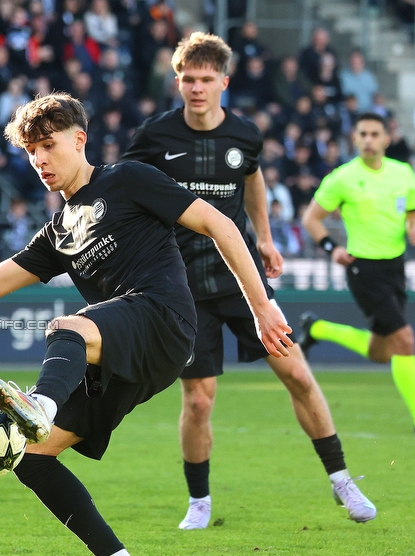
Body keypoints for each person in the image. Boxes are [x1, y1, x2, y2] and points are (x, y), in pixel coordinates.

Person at [0, 91, 293, 556]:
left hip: (164, 319)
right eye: (31, 151)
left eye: (48, 145)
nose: (40, 160)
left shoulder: (128, 179)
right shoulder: (57, 232)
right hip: (125, 356)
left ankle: (39, 404)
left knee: (66, 328)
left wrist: (261, 305)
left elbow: (219, 223)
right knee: (29, 456)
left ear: (79, 139)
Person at [121, 32, 376, 530]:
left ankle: (342, 479)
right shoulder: (154, 137)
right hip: (183, 285)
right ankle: (199, 502)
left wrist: (263, 236)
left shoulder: (245, 134)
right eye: (188, 80)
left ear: (224, 82)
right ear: (177, 82)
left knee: (299, 375)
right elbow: (128, 188)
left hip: (242, 280)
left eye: (206, 80)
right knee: (198, 399)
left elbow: (253, 176)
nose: (196, 88)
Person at [300, 112, 415, 436]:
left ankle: (318, 328)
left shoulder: (403, 174)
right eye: (363, 134)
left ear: (386, 138)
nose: (369, 140)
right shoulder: (342, 177)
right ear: (354, 139)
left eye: (375, 134)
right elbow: (311, 219)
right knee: (404, 338)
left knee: (382, 352)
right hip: (363, 268)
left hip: (395, 267)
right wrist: (332, 249)